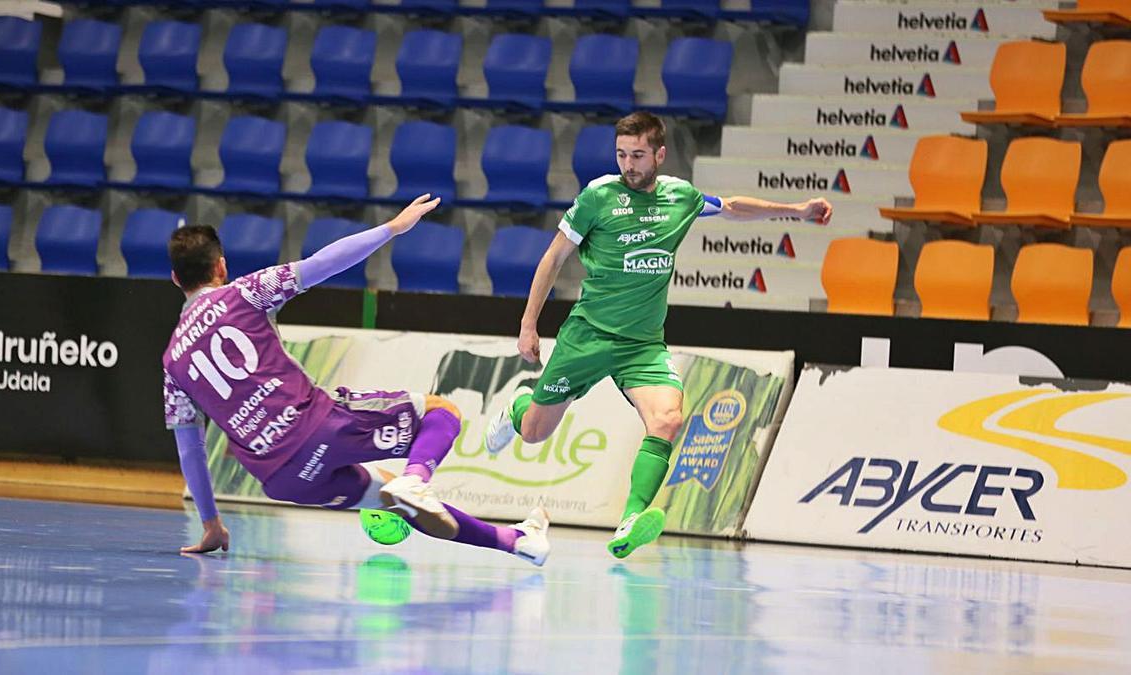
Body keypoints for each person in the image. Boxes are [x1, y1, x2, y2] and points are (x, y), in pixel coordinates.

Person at [484, 112, 833, 559]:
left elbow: (732, 207)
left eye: (637, 155)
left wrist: (798, 211)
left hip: (642, 345)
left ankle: (630, 517)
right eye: (621, 155)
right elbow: (554, 258)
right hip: (587, 336)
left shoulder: (679, 197)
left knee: (668, 419)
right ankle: (518, 410)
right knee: (534, 432)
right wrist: (528, 324)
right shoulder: (598, 196)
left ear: (660, 155)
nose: (628, 164)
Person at [163, 195, 550, 566]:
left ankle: (518, 542)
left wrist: (211, 523)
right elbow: (321, 263)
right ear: (221, 267)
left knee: (392, 498)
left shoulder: (173, 361)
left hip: (281, 478)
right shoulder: (243, 293)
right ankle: (416, 478)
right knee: (441, 413)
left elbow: (190, 450)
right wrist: (391, 229)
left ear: (176, 279)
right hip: (314, 427)